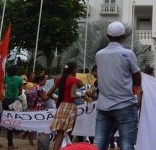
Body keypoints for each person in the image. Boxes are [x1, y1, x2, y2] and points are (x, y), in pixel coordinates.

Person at [94, 21, 142, 150]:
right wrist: (138, 96)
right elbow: (137, 77)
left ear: (107, 36)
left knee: (98, 143)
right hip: (125, 105)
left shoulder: (99, 55)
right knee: (126, 145)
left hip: (103, 106)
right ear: (124, 36)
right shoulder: (128, 54)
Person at [47, 62, 88, 150]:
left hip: (61, 106)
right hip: (70, 107)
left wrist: (55, 99)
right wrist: (83, 95)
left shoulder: (59, 79)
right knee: (68, 134)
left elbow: (48, 93)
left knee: (60, 134)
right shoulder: (74, 80)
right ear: (73, 69)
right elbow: (73, 95)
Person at [2, 65, 23, 149]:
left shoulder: (5, 77)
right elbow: (20, 91)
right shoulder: (19, 79)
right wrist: (16, 94)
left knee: (1, 120)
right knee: (11, 122)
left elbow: (3, 88)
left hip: (5, 101)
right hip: (14, 101)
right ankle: (10, 144)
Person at [26, 75, 49, 147]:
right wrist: (49, 96)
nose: (45, 82)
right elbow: (45, 98)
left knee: (31, 125)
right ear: (39, 81)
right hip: (38, 109)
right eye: (44, 81)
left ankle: (30, 141)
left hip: (31, 108)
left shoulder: (33, 86)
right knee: (40, 125)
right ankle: (40, 141)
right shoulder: (40, 88)